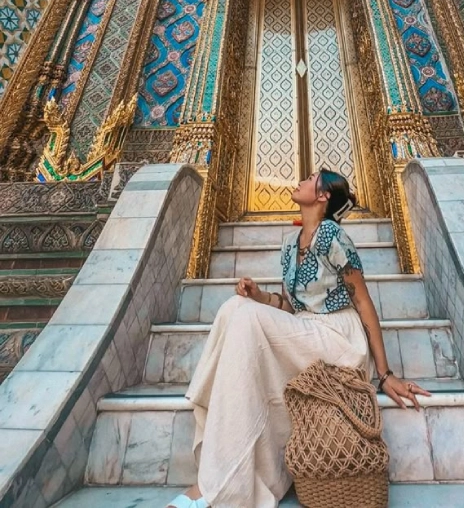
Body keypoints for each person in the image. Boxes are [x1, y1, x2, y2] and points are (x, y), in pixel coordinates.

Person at [168, 168, 431, 508]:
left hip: (338, 335)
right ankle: (222, 476)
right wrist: (259, 296)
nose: (300, 180)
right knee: (236, 306)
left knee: (245, 316)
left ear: (322, 197)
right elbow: (289, 306)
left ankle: (216, 488)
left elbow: (363, 302)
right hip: (306, 330)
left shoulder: (333, 236)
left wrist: (385, 374)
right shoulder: (290, 243)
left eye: (309, 179)